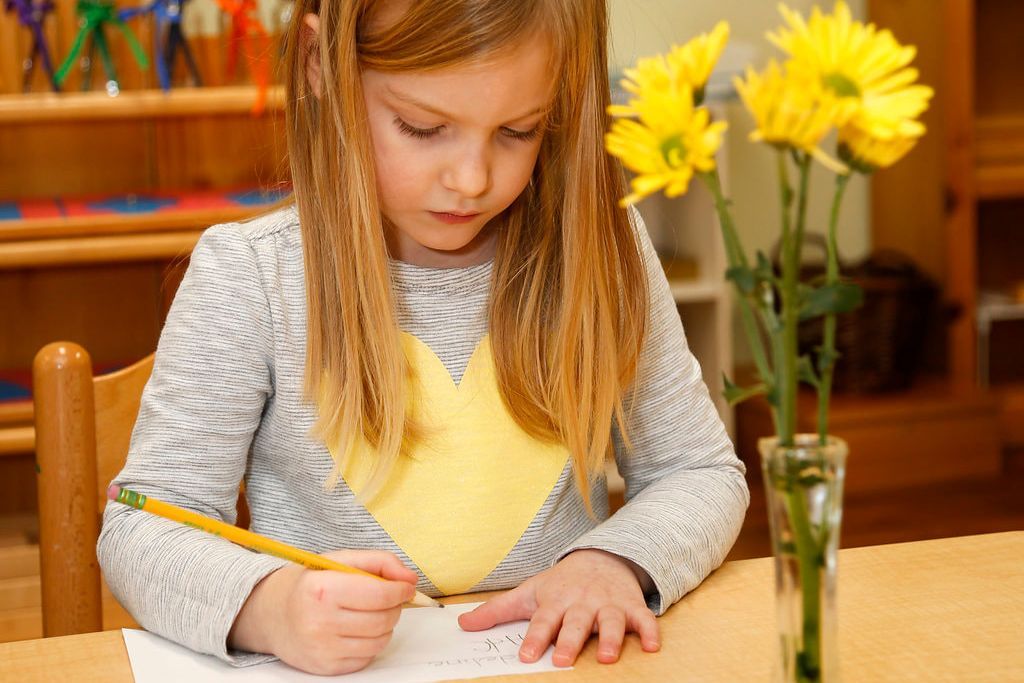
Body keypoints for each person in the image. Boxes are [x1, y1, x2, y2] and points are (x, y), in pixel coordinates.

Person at [97, 0, 749, 676]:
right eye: (423, 126)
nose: (472, 179)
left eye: (519, 131)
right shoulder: (251, 277)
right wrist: (272, 607)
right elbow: (146, 527)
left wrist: (613, 562)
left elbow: (698, 473)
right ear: (323, 65)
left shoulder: (601, 252)